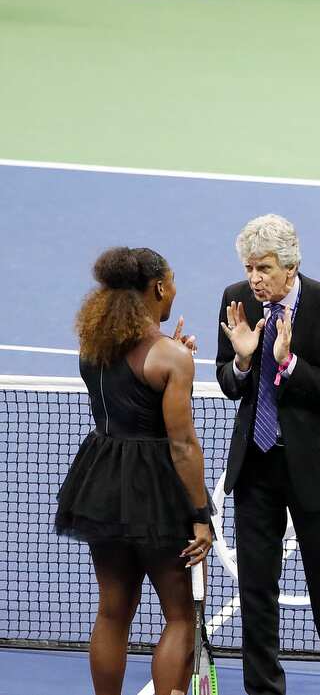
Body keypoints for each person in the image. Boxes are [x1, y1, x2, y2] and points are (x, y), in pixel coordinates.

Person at [215, 213, 320, 695]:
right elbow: (227, 381)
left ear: (289, 264)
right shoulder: (235, 300)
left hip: (318, 472)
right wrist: (241, 359)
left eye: (263, 268)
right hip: (256, 468)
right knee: (256, 592)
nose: (254, 278)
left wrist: (289, 363)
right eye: (249, 267)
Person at [56, 246, 211, 695]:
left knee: (112, 611)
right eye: (173, 282)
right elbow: (182, 445)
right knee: (180, 613)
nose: (175, 291)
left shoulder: (92, 345)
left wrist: (171, 354)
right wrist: (200, 514)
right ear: (159, 287)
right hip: (156, 494)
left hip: (100, 485)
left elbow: (128, 393)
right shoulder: (171, 359)